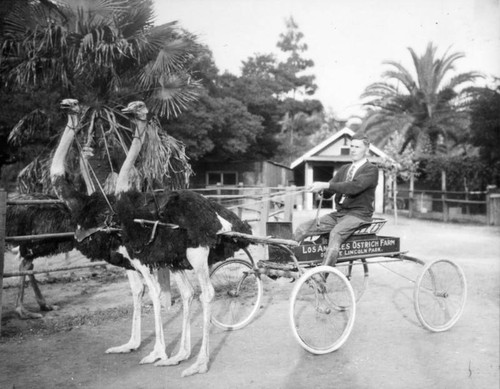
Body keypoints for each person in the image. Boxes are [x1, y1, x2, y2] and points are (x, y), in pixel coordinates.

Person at [294, 133, 379, 268]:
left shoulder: (371, 170)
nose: (353, 150)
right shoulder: (344, 169)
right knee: (302, 229)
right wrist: (320, 190)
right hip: (339, 214)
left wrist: (325, 185)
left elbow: (354, 187)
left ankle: (322, 276)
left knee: (335, 234)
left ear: (367, 150)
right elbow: (329, 191)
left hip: (359, 215)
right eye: (352, 146)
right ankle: (288, 262)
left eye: (357, 147)